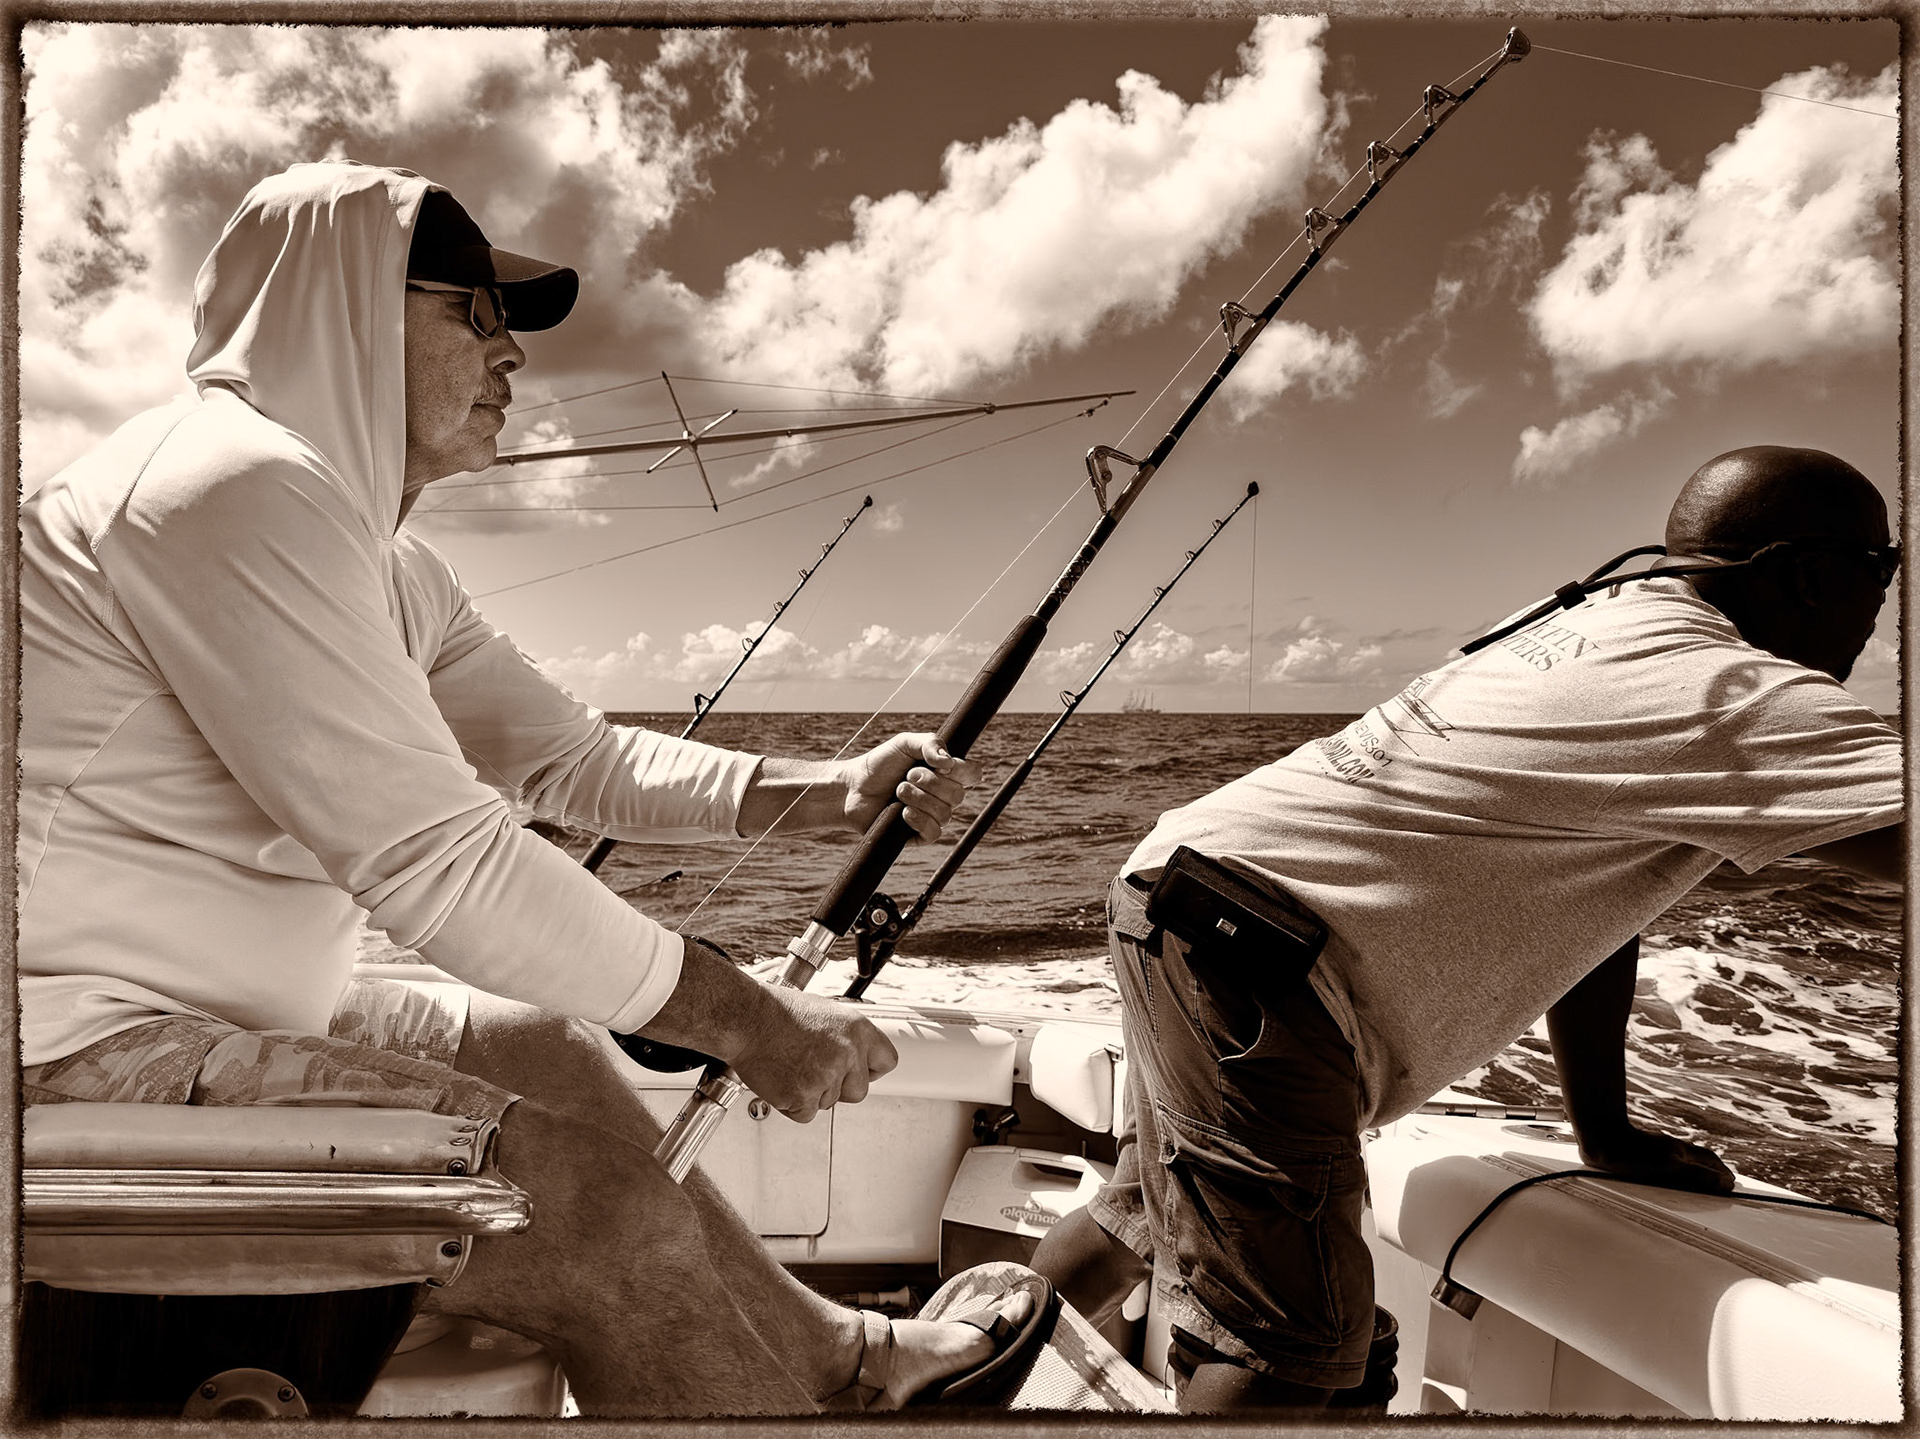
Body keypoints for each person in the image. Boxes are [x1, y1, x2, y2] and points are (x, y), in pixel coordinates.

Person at [18, 159, 1042, 1415]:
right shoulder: (224, 484)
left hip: (211, 1016)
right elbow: (438, 861)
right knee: (604, 1217)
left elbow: (571, 757)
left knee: (539, 1042)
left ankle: (835, 1352)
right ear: (336, 307)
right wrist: (745, 1017)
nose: (513, 356)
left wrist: (823, 788)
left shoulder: (381, 561)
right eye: (475, 312)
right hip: (69, 1061)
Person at [1031, 445, 1904, 1412]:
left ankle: (950, 1382)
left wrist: (1604, 1132)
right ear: (1808, 572)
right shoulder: (1735, 695)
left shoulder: (1582, 624)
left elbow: (1588, 911)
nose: (1886, 603)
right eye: (1886, 568)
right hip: (1257, 950)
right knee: (1292, 1339)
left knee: (1138, 1215)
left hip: (1186, 894)